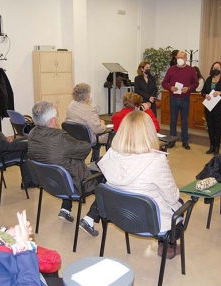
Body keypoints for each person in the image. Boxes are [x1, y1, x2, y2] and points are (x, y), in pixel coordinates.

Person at [98, 111, 183, 259]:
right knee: (179, 204)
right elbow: (172, 197)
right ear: (149, 133)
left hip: (120, 215)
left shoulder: (110, 155)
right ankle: (168, 245)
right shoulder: (156, 161)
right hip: (150, 222)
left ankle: (165, 245)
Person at [27, 101, 100, 237]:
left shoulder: (32, 134)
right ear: (53, 120)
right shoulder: (60, 137)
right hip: (74, 185)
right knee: (104, 183)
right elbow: (85, 148)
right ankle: (89, 219)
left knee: (64, 165)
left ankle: (65, 209)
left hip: (49, 183)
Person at [162, 51, 199, 150]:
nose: (179, 59)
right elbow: (164, 83)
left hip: (185, 98)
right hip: (173, 98)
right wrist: (170, 87)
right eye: (178, 57)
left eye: (181, 57)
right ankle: (172, 140)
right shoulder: (171, 69)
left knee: (184, 121)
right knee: (173, 120)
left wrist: (188, 88)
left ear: (185, 59)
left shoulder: (191, 70)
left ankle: (185, 141)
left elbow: (196, 83)